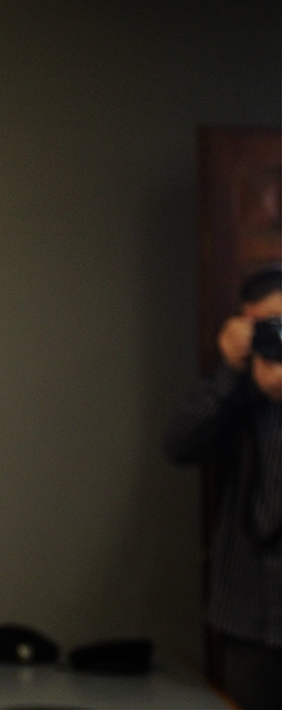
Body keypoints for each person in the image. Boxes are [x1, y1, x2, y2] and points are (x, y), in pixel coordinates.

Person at [165, 267, 282, 710]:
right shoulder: (241, 392)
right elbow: (180, 447)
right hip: (249, 614)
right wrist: (230, 372)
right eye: (263, 328)